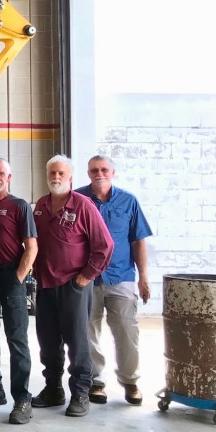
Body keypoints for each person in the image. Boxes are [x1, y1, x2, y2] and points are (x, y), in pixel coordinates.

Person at [31, 155, 113, 418]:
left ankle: (80, 393)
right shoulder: (41, 206)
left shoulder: (84, 205)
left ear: (70, 178)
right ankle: (53, 389)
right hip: (45, 285)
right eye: (52, 173)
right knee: (48, 341)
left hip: (73, 286)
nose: (56, 177)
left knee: (78, 342)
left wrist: (85, 277)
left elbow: (104, 246)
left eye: (61, 174)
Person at [75, 155, 153, 406]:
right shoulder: (77, 199)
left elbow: (138, 240)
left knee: (127, 331)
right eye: (94, 170)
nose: (99, 173)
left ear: (113, 172)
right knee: (88, 332)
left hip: (121, 277)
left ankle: (130, 381)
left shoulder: (128, 201)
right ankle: (96, 381)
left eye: (104, 169)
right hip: (87, 278)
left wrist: (143, 278)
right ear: (88, 173)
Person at [0, 158, 37, 425]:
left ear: (9, 177)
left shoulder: (19, 205)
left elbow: (31, 247)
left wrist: (18, 278)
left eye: (1, 173)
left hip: (10, 275)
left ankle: (22, 399)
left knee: (17, 338)